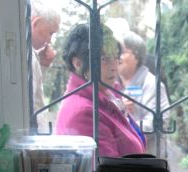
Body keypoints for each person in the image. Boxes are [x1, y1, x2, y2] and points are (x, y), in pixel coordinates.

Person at [55, 24, 146, 157]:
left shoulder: (107, 95)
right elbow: (108, 168)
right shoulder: (85, 112)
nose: (113, 66)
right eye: (104, 59)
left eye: (115, 57)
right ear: (78, 63)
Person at [117, 31, 170, 137]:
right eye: (115, 53)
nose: (117, 57)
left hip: (146, 147)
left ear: (136, 56)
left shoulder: (153, 85)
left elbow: (158, 123)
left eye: (122, 52)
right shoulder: (110, 85)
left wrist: (123, 127)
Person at [30, 0, 61, 133]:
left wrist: (42, 65)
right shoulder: (27, 57)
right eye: (50, 33)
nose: (49, 40)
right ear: (35, 23)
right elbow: (30, 103)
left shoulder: (30, 55)